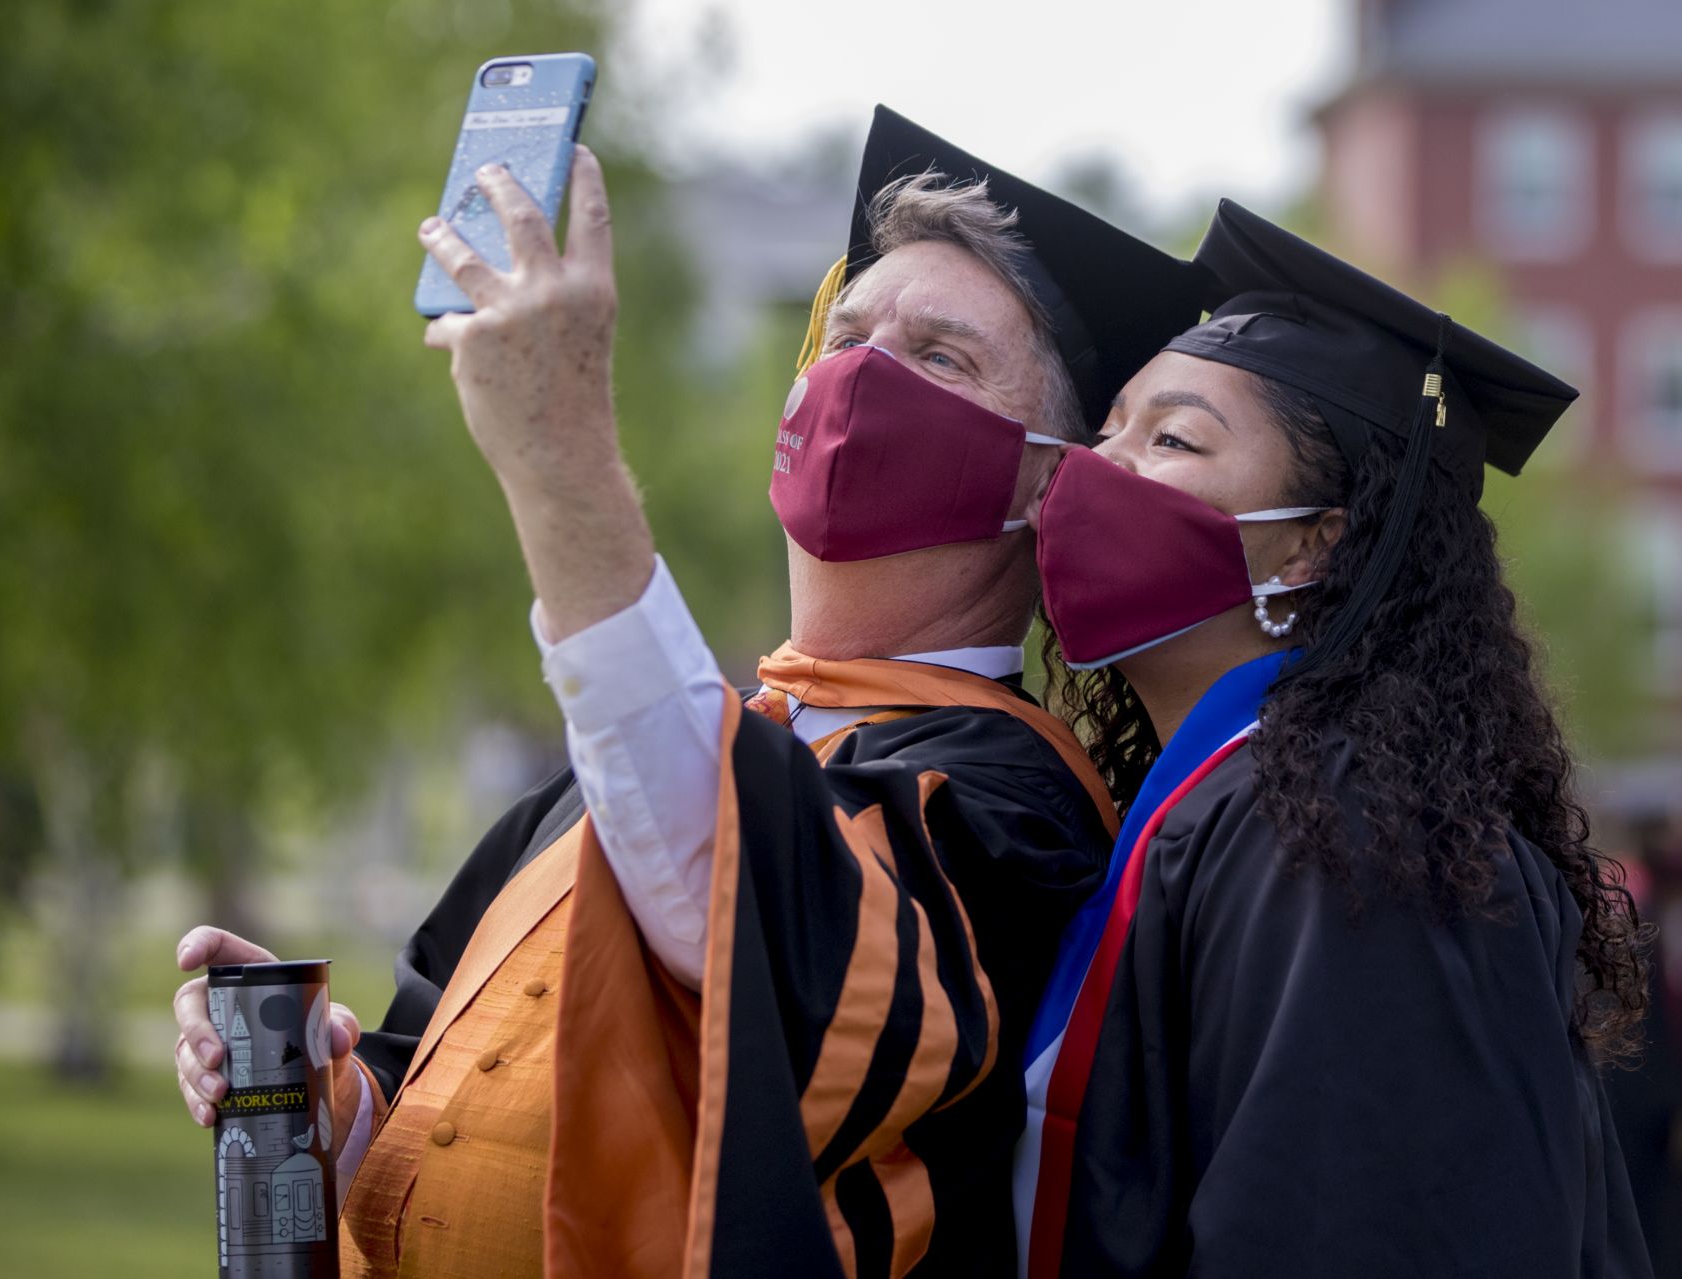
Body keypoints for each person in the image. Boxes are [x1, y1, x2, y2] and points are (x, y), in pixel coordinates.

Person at [170, 107, 1206, 1277]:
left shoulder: (1015, 816)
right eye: (845, 332)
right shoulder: (607, 779)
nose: (861, 374)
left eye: (938, 356)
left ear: (1046, 483)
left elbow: (753, 937)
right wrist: (331, 1104)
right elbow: (435, 1147)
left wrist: (564, 462)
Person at [1013, 200, 1654, 1277]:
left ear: (1313, 544)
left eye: (1169, 438)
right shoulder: (1242, 803)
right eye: (1107, 427)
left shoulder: (1353, 840)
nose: (1093, 469)